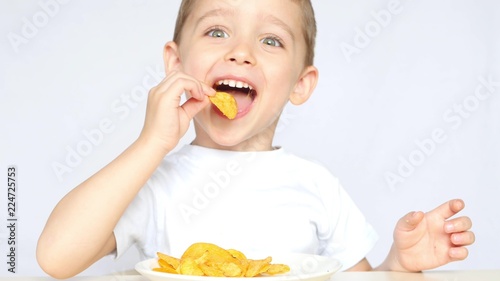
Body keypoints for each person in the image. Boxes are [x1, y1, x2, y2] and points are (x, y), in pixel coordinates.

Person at [36, 0, 475, 279]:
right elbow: (56, 258)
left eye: (270, 40)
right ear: (175, 63)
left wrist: (401, 265)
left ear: (300, 84)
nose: (241, 51)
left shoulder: (316, 185)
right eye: (217, 31)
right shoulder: (153, 181)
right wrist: (150, 144)